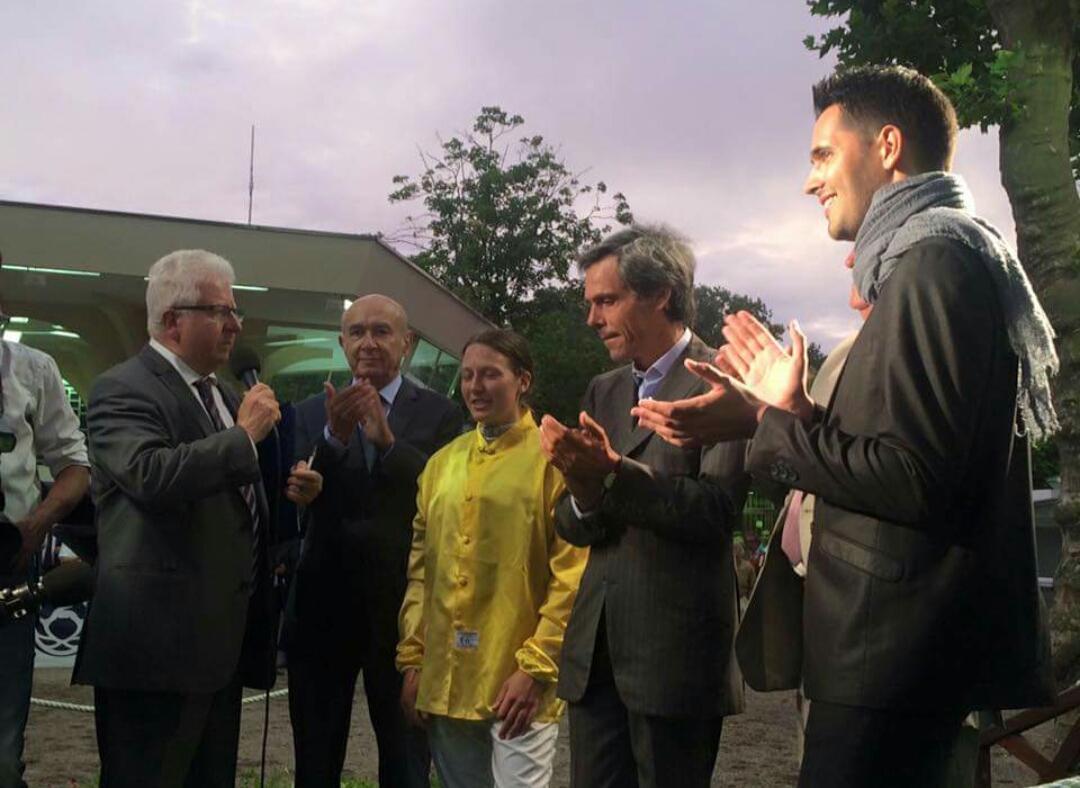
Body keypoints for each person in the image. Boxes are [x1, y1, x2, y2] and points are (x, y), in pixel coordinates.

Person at [633, 65, 1056, 787]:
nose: (811, 181)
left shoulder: (933, 263)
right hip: (892, 663)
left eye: (823, 155)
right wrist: (791, 411)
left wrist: (770, 421)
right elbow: (913, 455)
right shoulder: (935, 258)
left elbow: (914, 480)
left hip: (889, 661)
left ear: (887, 146)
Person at [538, 225, 750, 788]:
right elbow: (574, 526)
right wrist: (583, 490)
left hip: (677, 660)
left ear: (660, 294)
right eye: (590, 303)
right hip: (596, 657)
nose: (592, 318)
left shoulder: (724, 378)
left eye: (607, 301)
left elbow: (716, 513)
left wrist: (613, 472)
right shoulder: (603, 390)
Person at [75, 249, 289, 787]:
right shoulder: (121, 388)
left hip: (218, 652)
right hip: (153, 655)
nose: (235, 325)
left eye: (235, 312)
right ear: (173, 321)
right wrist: (243, 436)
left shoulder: (223, 393)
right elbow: (150, 475)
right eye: (221, 311)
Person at [285, 294, 462, 788]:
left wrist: (388, 444)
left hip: (403, 612)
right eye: (357, 332)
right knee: (315, 762)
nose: (368, 343)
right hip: (322, 609)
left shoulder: (441, 415)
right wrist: (333, 440)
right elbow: (291, 492)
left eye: (381, 332)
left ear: (407, 343)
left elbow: (447, 495)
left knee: (406, 763)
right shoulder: (307, 413)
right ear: (341, 342)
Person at [397, 328, 587, 788]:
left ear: (523, 380)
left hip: (518, 682)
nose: (475, 387)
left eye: (490, 375)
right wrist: (414, 659)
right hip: (445, 679)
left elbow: (573, 574)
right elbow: (421, 573)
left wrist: (537, 667)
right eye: (467, 376)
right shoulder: (440, 465)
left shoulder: (556, 461)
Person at [0, 306, 90, 788]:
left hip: (9, 566)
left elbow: (75, 466)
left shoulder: (34, 369)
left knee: (2, 753)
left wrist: (38, 524)